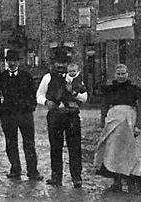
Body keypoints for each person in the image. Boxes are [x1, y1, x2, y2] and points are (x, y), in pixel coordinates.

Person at [36, 52, 88, 187]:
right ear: (54, 64)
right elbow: (39, 95)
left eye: (64, 63)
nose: (60, 66)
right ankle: (56, 177)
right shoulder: (48, 77)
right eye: (58, 63)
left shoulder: (74, 76)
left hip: (71, 115)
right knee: (55, 146)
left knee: (75, 146)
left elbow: (84, 97)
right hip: (55, 115)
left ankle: (77, 177)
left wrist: (74, 94)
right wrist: (46, 102)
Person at [94, 64, 141, 194]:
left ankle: (131, 183)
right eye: (119, 74)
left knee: (132, 151)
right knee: (113, 152)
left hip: (130, 122)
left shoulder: (135, 90)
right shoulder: (109, 90)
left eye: (123, 74)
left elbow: (140, 107)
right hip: (114, 123)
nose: (121, 76)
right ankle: (116, 182)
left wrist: (138, 125)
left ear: (128, 74)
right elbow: (104, 106)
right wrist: (103, 122)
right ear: (115, 75)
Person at [0, 51, 42, 180]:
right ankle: (15, 169)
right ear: (7, 62)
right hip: (8, 115)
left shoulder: (26, 76)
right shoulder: (1, 77)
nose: (12, 63)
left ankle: (32, 171)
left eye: (14, 61)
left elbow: (33, 94)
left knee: (29, 142)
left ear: (18, 62)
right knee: (11, 142)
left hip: (25, 114)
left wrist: (31, 107)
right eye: (10, 61)